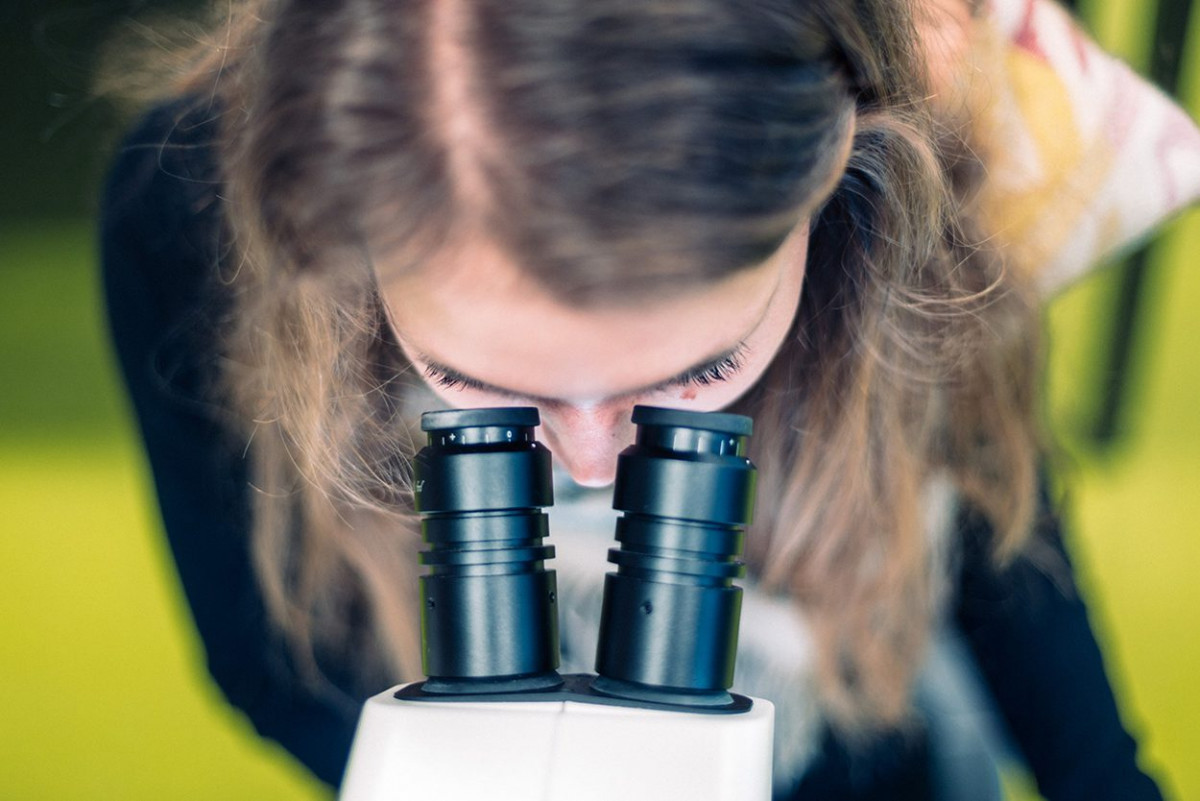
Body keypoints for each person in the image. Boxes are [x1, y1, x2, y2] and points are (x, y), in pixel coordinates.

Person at [100, 0, 1200, 797]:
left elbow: (994, 519)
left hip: (854, 724)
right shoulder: (185, 204)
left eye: (700, 372)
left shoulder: (945, 154)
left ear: (839, 184)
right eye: (481, 389)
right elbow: (270, 652)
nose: (590, 462)